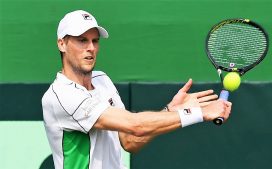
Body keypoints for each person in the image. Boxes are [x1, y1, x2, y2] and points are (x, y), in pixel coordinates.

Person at [42, 10, 232, 169]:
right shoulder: (60, 96)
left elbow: (129, 140)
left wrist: (171, 111)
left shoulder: (102, 80)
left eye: (95, 41)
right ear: (62, 44)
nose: (91, 48)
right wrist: (200, 113)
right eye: (82, 40)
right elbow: (136, 125)